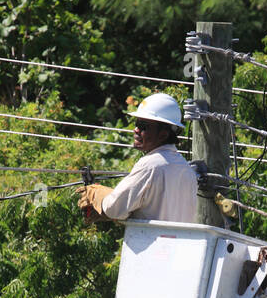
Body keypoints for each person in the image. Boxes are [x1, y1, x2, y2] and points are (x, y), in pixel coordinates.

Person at [77, 93, 198, 223]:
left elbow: (114, 209)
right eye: (137, 123)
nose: (136, 130)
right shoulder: (186, 169)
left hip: (149, 241)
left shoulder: (150, 165)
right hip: (179, 242)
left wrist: (97, 194)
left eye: (143, 126)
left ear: (163, 135)